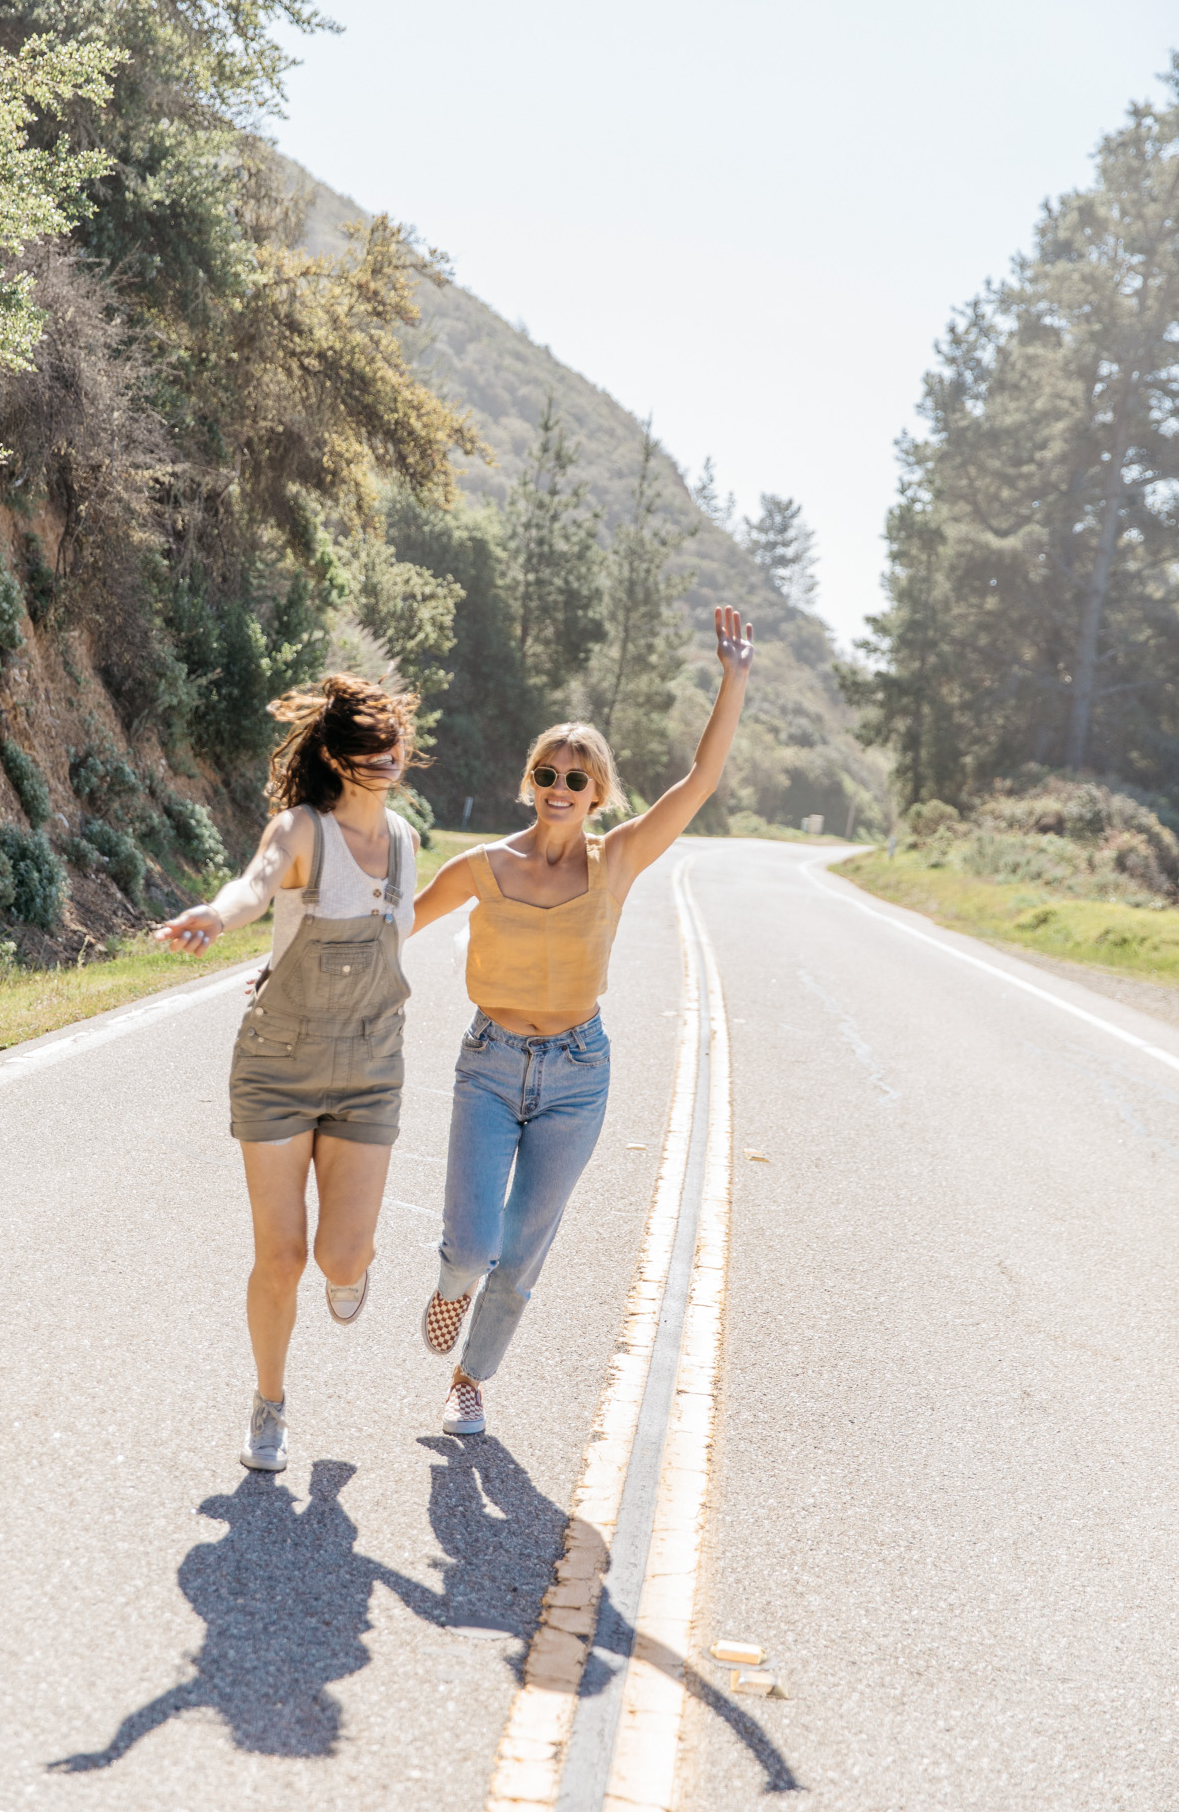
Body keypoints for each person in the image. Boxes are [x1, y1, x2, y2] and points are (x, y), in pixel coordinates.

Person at [409, 605, 753, 1436]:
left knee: (523, 1249)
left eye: (575, 779)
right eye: (546, 774)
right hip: (490, 1063)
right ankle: (452, 1282)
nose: (558, 789)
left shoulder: (618, 859)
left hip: (577, 1073)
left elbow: (699, 782)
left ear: (597, 793)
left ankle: (469, 1380)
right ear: (528, 782)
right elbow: (395, 924)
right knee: (472, 1247)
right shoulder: (483, 866)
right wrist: (296, 964)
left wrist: (733, 679)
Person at [156, 675, 422, 1473]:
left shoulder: (406, 841)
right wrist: (216, 914)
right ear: (336, 758)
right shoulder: (302, 828)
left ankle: (351, 1268)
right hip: (278, 1066)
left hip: (370, 1067)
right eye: (368, 745)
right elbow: (255, 884)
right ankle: (269, 1403)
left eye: (391, 740)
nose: (386, 755)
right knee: (281, 1258)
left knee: (343, 1259)